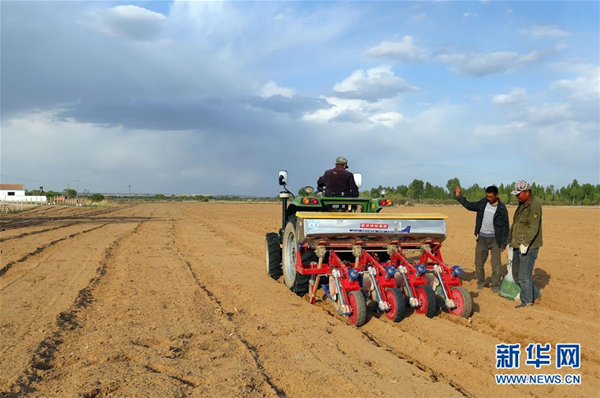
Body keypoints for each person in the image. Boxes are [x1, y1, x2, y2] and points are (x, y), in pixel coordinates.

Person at [454, 185, 509, 293]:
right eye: (487, 196)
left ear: (497, 196)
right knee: (479, 263)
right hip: (482, 238)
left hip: (495, 240)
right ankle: (481, 282)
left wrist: (503, 243)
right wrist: (459, 196)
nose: (489, 198)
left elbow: (506, 227)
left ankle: (495, 285)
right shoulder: (483, 203)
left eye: (491, 197)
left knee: (496, 265)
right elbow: (469, 205)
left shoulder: (502, 209)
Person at [508, 181, 543, 308]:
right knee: (517, 275)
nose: (517, 196)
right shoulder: (522, 203)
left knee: (524, 276)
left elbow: (533, 226)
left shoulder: (534, 205)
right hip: (517, 244)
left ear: (527, 192)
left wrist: (526, 243)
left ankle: (527, 302)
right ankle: (536, 295)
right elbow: (517, 224)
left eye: (519, 194)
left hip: (529, 246)